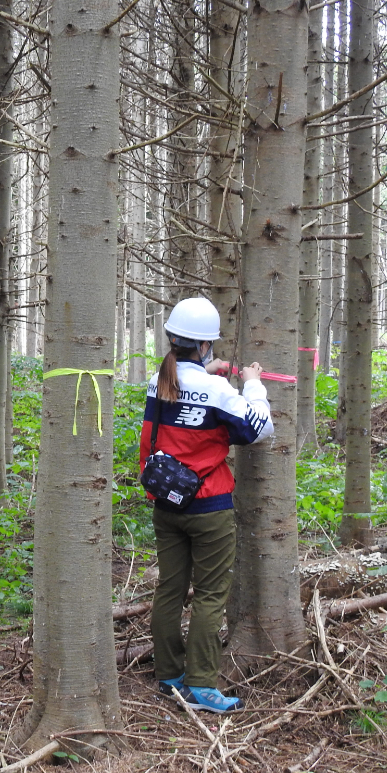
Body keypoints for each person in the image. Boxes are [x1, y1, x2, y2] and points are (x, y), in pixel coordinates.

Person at [140, 297, 274, 715]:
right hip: (209, 505)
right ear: (204, 346)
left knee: (170, 589)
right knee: (211, 596)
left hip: (166, 502)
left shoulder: (158, 380)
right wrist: (252, 383)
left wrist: (210, 376)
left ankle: (169, 675)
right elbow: (259, 429)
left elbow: (168, 422)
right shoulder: (218, 389)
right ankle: (201, 684)